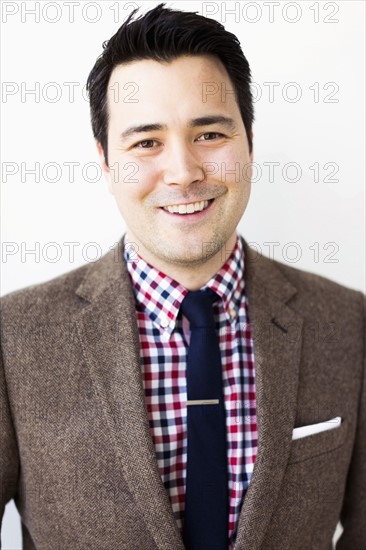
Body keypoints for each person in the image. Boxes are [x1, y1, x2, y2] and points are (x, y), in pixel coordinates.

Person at [1, 3, 364, 549]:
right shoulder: (13, 336)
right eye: (146, 142)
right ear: (105, 161)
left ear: (249, 142)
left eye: (210, 134)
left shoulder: (348, 321)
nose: (184, 172)